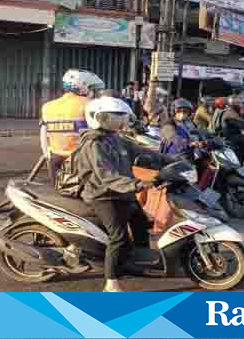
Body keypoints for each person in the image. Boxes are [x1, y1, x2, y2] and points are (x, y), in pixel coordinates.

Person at [74, 96, 174, 292]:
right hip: (103, 195)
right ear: (99, 117)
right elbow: (106, 176)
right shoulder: (94, 144)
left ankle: (136, 262)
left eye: (122, 116)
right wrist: (138, 184)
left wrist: (170, 161)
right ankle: (111, 282)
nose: (121, 120)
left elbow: (143, 152)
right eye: (115, 117)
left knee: (141, 224)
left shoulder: (116, 138)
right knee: (118, 237)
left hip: (123, 191)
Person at [40, 69, 105, 183]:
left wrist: (47, 156)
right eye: (91, 88)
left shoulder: (47, 106)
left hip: (55, 159)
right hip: (81, 160)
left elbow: (43, 136)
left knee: (58, 191)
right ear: (83, 87)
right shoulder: (90, 104)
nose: (93, 92)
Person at [222, 97, 244, 168]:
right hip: (231, 135)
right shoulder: (230, 114)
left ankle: (242, 160)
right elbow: (238, 124)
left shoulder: (235, 112)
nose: (242, 106)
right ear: (235, 105)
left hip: (235, 133)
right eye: (240, 104)